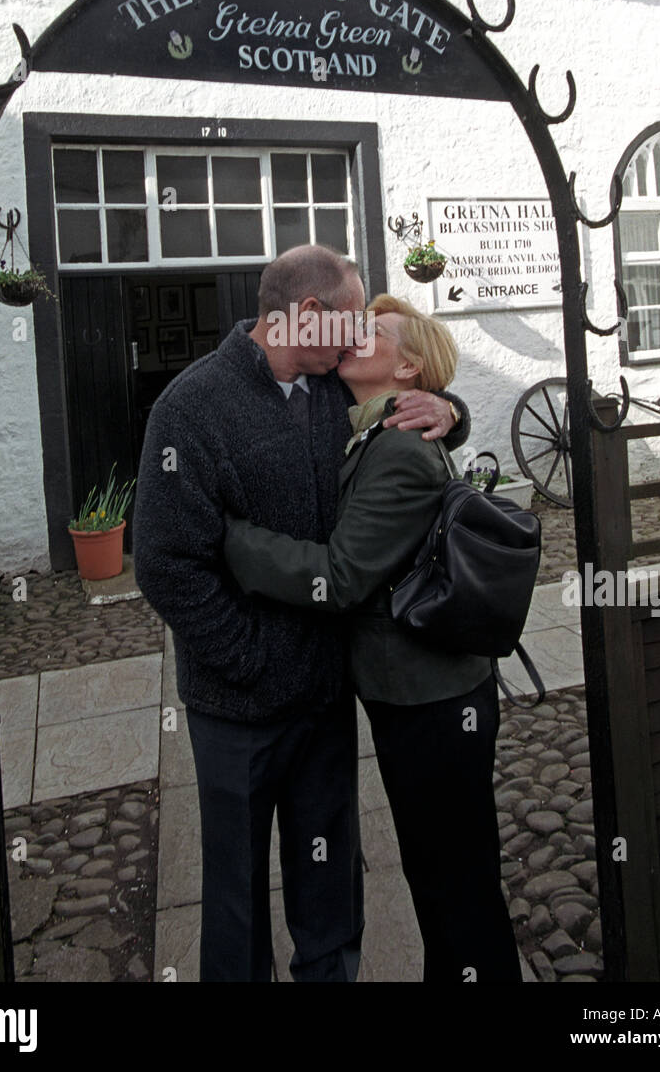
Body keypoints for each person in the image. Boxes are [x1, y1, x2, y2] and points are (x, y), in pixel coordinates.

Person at [132, 246, 469, 983]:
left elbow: (399, 410)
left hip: (323, 699)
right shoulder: (190, 407)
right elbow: (163, 565)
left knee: (329, 888)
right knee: (236, 899)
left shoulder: (331, 394)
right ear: (306, 314)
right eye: (350, 323)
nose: (357, 342)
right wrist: (252, 660)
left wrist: (449, 408)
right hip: (237, 706)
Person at [224, 293, 522, 983]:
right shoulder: (369, 419)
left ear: (409, 366)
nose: (355, 334)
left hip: (432, 699)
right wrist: (452, 412)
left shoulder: (395, 450)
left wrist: (236, 542)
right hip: (418, 694)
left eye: (376, 331)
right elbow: (275, 344)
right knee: (440, 867)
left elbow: (344, 574)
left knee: (455, 878)